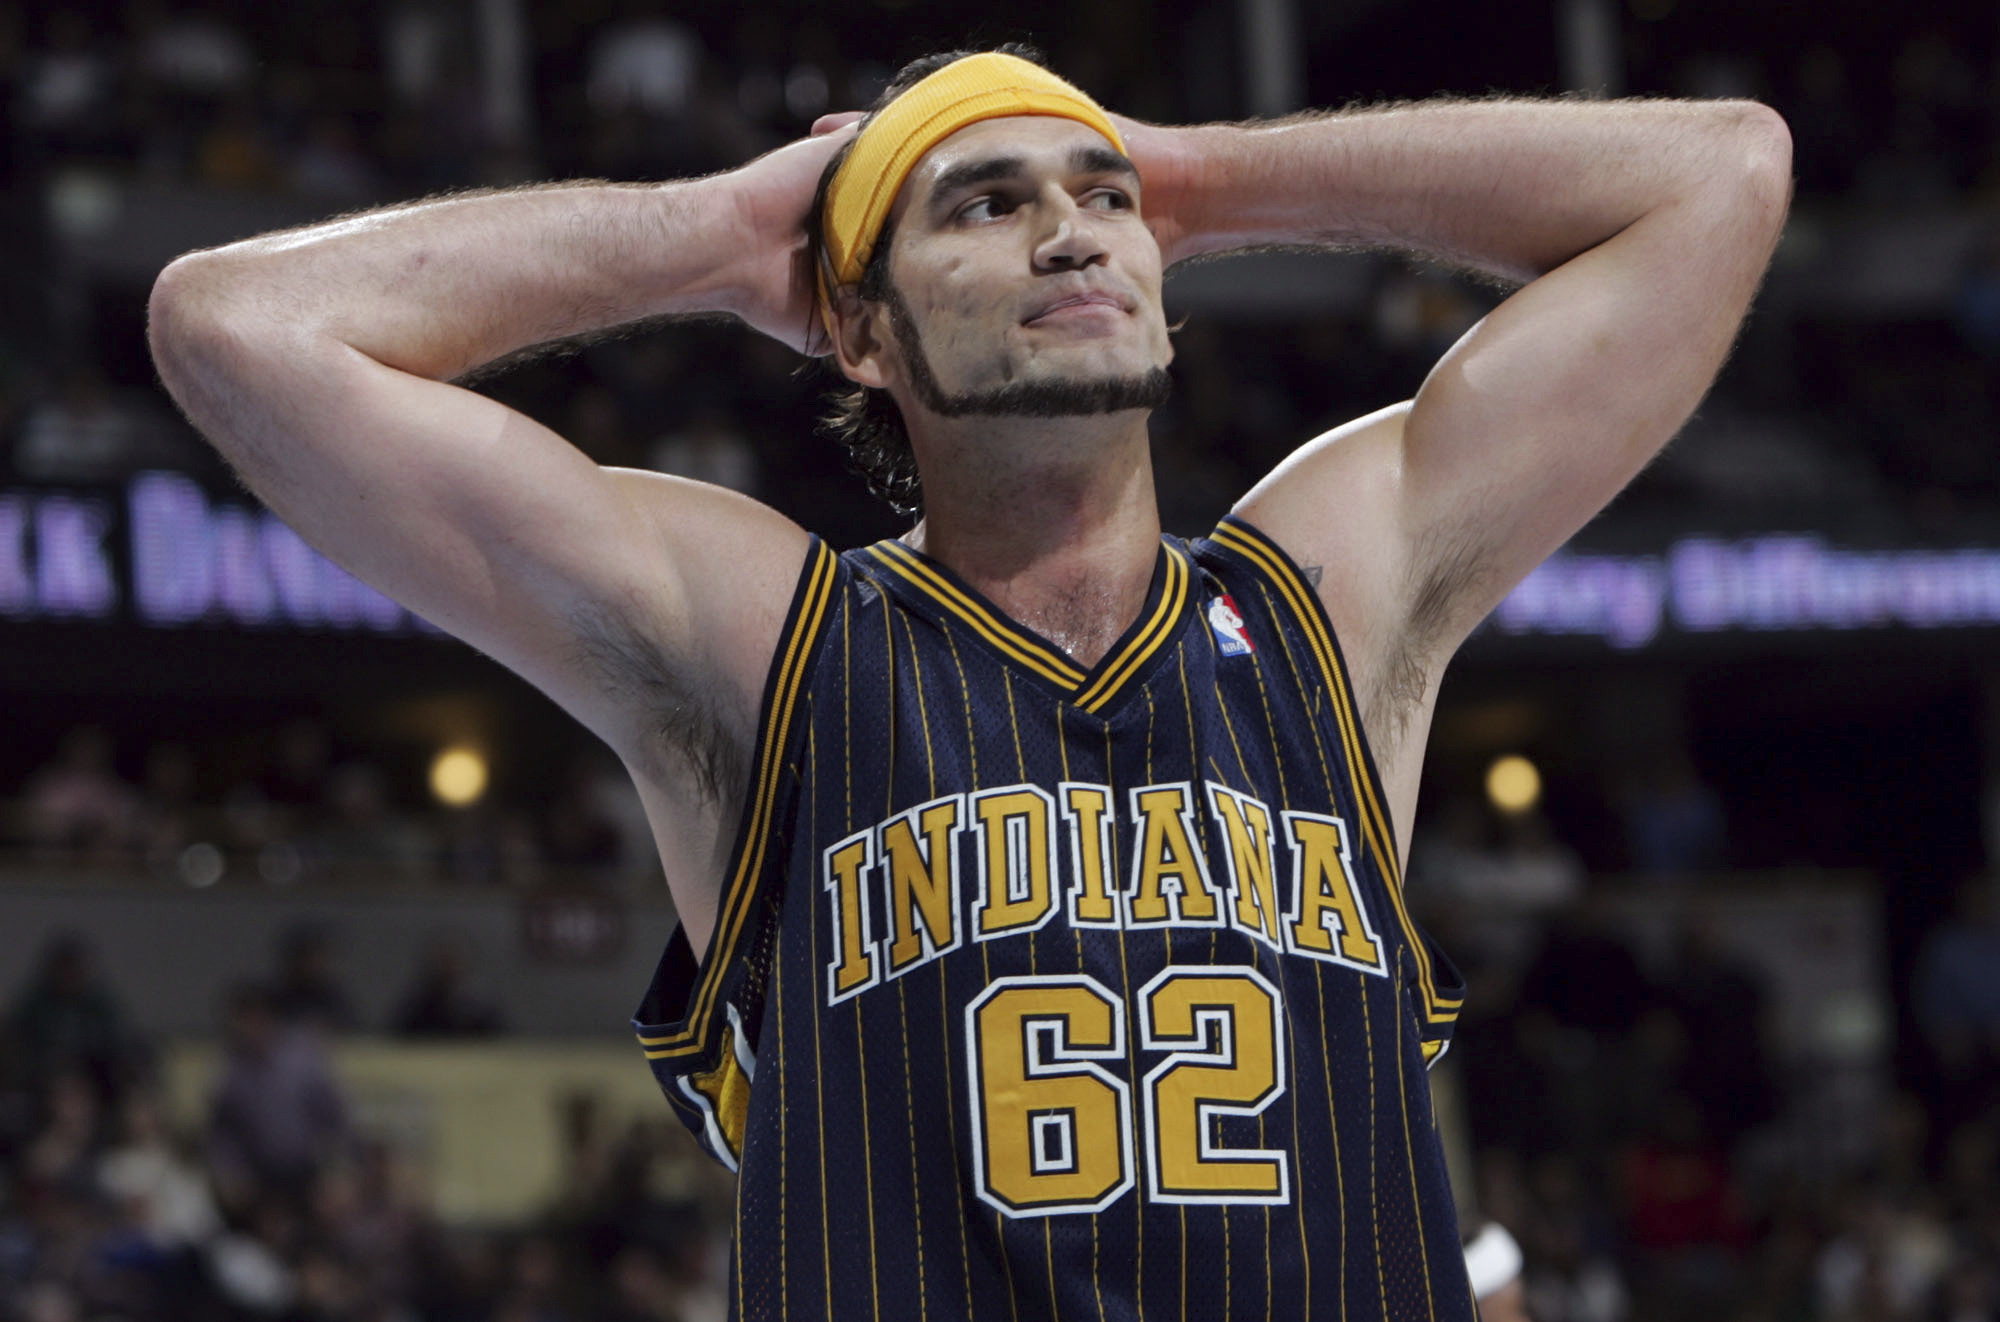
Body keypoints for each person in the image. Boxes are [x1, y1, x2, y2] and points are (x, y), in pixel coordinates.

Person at [147, 43, 1790, 1322]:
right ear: (856, 332)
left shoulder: (1327, 603)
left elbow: (1725, 172)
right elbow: (238, 326)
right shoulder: (765, 639)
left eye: (1100, 195)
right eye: (983, 203)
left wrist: (1207, 172)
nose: (1071, 231)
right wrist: (719, 232)